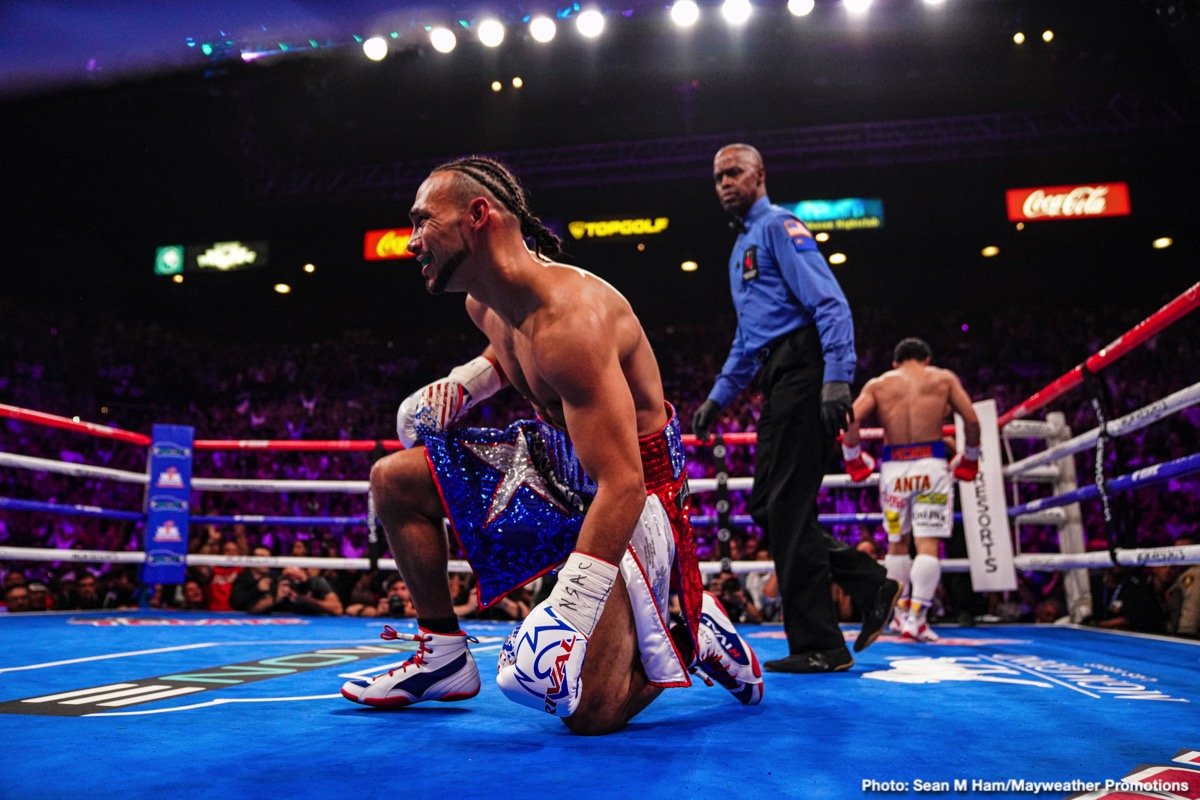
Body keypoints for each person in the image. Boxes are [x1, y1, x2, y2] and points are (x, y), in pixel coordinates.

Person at [340, 156, 763, 734]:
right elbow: (508, 352)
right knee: (395, 480)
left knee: (590, 714)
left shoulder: (574, 321)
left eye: (422, 222)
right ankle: (442, 653)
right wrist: (467, 383)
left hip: (638, 490)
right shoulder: (483, 304)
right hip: (560, 463)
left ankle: (691, 630)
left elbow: (625, 483)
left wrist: (569, 611)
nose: (412, 242)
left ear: (477, 216)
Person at [694, 143, 899, 673]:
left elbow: (829, 302)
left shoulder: (780, 227)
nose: (725, 184)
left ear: (760, 175)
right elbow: (748, 340)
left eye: (734, 173)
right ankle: (866, 581)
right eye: (718, 177)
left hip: (806, 374)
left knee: (784, 507)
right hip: (777, 376)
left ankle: (821, 644)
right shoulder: (742, 248)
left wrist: (837, 378)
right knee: (770, 505)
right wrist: (718, 397)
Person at [840, 337, 981, 643]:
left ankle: (900, 612)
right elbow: (971, 419)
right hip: (931, 469)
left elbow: (849, 418)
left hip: (894, 474)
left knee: (896, 542)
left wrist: (853, 458)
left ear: (895, 362)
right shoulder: (942, 378)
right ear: (926, 358)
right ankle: (917, 618)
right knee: (927, 542)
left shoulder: (880, 384)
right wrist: (969, 456)